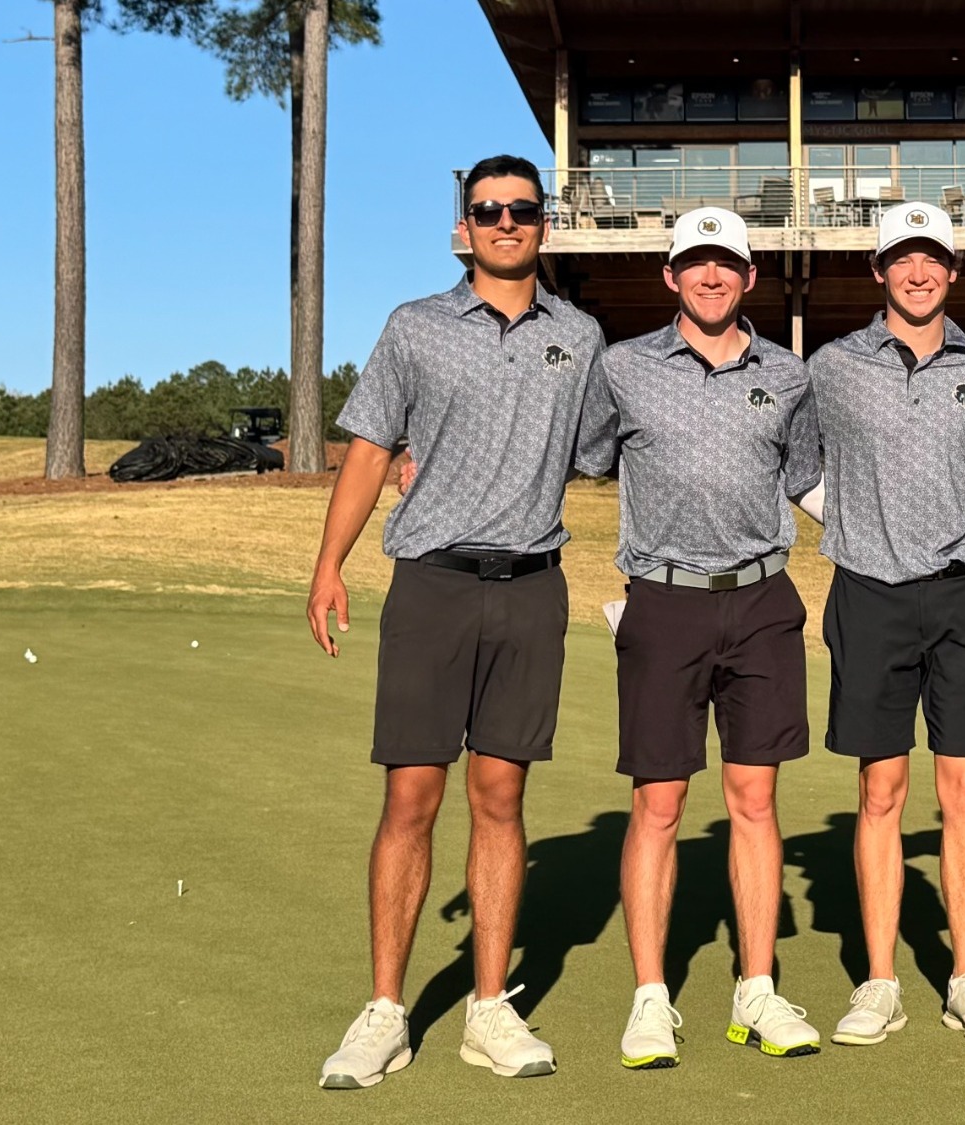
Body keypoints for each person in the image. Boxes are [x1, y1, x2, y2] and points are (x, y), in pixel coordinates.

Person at [307, 154, 606, 1089]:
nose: (506, 222)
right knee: (410, 797)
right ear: (464, 226)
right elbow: (369, 451)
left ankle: (488, 1009)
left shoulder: (581, 336)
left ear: (544, 224)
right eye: (488, 210)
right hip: (431, 583)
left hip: (532, 588)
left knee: (501, 797)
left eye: (522, 209)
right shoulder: (416, 326)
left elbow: (611, 446)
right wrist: (328, 564)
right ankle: (384, 1010)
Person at [575, 206, 825, 1067]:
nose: (711, 276)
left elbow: (807, 477)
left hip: (762, 602)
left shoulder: (788, 374)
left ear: (750, 277)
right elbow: (580, 452)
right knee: (659, 803)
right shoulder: (623, 367)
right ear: (670, 276)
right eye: (695, 263)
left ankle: (756, 988)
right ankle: (651, 997)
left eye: (726, 263)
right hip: (664, 600)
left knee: (754, 800)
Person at [801, 203, 965, 1047]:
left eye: (932, 259)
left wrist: (956, 513)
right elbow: (797, 461)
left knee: (963, 790)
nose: (918, 273)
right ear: (878, 270)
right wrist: (851, 523)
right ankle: (881, 980)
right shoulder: (832, 366)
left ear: (953, 271)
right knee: (880, 790)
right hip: (870, 594)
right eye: (902, 259)